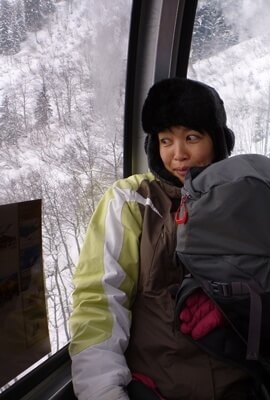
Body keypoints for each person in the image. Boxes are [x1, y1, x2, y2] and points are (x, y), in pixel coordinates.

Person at [68, 78, 252, 399]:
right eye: (166, 141)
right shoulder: (132, 200)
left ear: (218, 141)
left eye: (192, 137)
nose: (178, 154)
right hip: (159, 386)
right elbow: (99, 300)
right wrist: (104, 391)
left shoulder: (244, 195)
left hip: (244, 382)